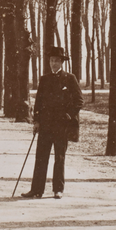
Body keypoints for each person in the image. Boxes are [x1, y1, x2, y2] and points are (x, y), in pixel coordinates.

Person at [20, 45, 84, 199]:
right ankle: (36, 190)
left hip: (61, 126)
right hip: (45, 125)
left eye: (57, 61)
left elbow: (79, 101)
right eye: (51, 60)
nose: (54, 63)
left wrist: (69, 115)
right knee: (41, 157)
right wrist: (36, 121)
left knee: (59, 158)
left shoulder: (70, 79)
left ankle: (58, 189)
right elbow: (39, 102)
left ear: (62, 62)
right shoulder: (44, 79)